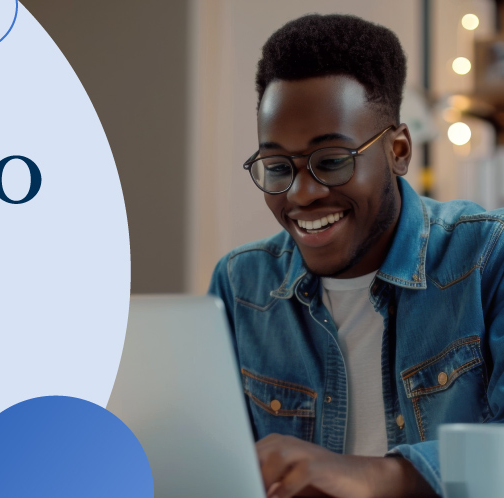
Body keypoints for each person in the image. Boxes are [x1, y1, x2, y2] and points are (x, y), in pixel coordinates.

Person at [208, 13, 504, 498]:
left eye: (331, 162)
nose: (301, 195)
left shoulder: (488, 257)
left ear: (399, 151)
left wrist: (373, 476)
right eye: (278, 166)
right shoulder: (241, 286)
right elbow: (209, 461)